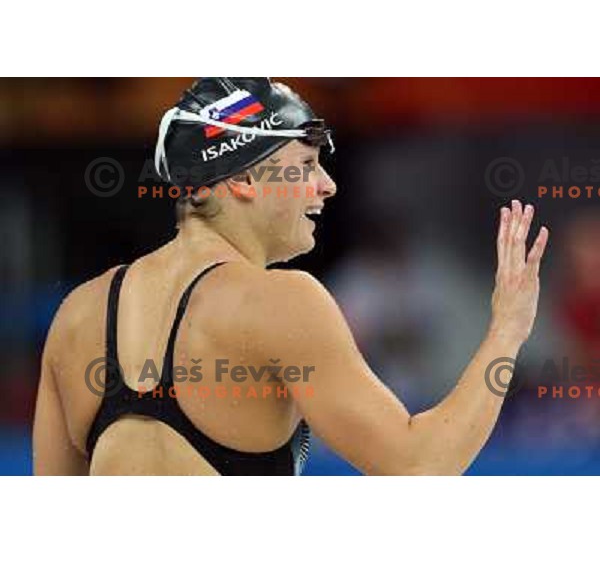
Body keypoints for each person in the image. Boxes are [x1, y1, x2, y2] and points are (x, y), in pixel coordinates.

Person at [32, 78, 549, 475]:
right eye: (305, 165)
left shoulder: (78, 313)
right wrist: (508, 329)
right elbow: (419, 463)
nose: (327, 186)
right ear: (241, 178)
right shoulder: (281, 303)